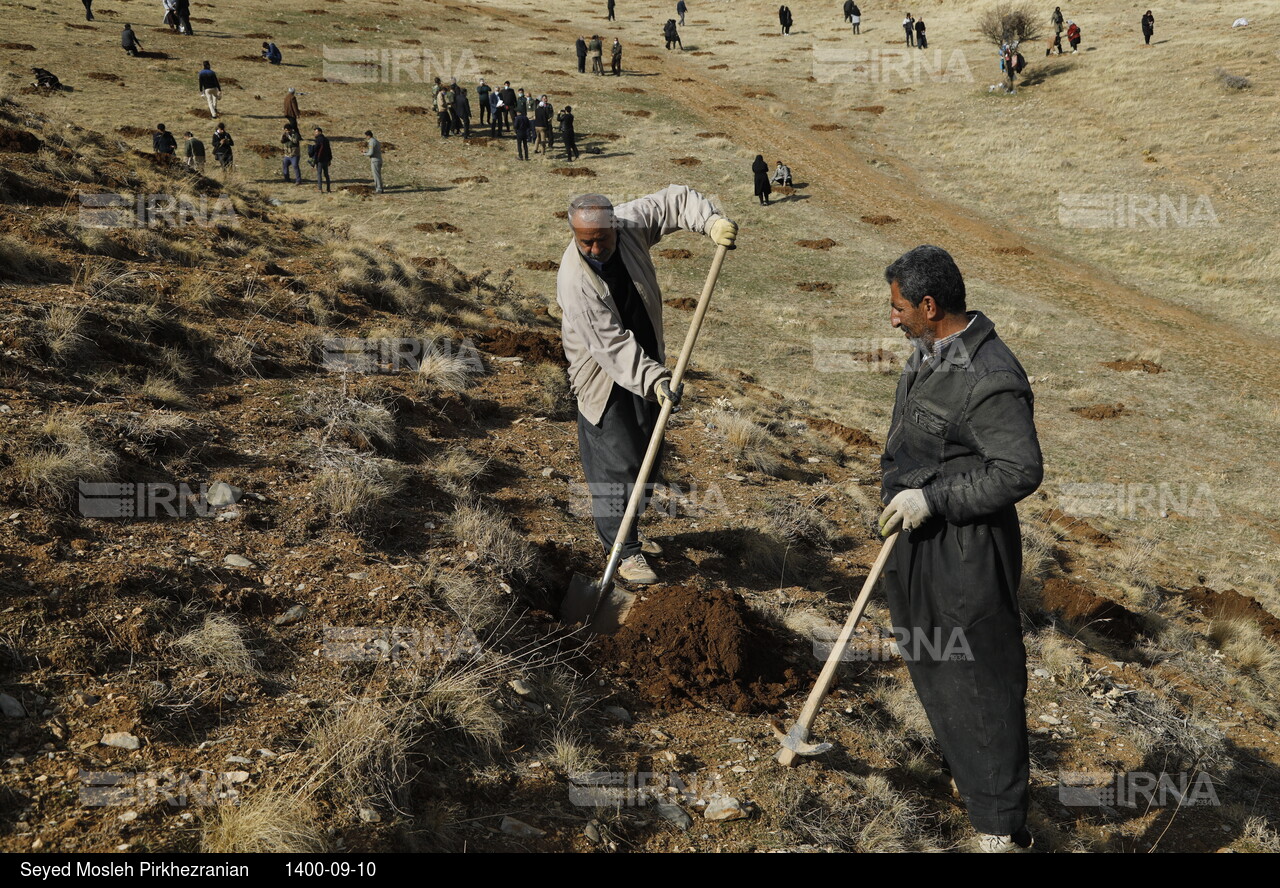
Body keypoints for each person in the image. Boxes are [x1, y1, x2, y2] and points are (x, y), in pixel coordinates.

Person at [877, 244, 1042, 854]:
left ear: (929, 304)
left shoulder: (992, 377)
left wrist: (934, 500)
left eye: (898, 308)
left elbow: (1020, 470)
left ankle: (1001, 829)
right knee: (933, 661)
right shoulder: (932, 350)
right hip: (920, 539)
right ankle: (971, 778)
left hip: (967, 551)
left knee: (979, 680)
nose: (892, 318)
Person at [557, 189, 737, 585]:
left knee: (646, 459)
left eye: (601, 238)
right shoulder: (575, 280)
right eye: (584, 239)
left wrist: (709, 222)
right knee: (615, 464)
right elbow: (611, 346)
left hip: (647, 363)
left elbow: (672, 201)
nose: (593, 247)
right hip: (602, 375)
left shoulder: (629, 225)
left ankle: (630, 529)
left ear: (614, 227)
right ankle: (623, 552)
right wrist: (656, 379)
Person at [311, 126, 332, 192]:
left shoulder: (318, 140)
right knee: (326, 174)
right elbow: (329, 150)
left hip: (319, 159)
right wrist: (330, 159)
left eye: (316, 132)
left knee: (319, 174)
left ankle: (320, 189)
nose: (315, 133)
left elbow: (316, 149)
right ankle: (328, 188)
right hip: (326, 159)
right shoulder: (326, 139)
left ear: (319, 132)